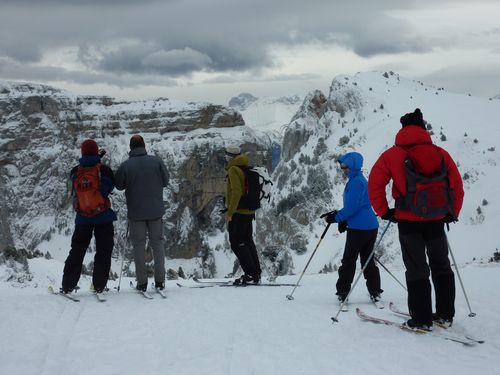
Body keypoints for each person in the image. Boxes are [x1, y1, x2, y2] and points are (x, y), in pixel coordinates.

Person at [368, 108, 464, 331]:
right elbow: (457, 185)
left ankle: (421, 319)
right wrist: (452, 212)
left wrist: (384, 211)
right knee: (441, 265)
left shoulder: (392, 155)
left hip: (408, 220)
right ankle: (445, 315)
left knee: (416, 267)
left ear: (403, 129)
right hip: (437, 219)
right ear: (423, 128)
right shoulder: (440, 153)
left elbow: (375, 184)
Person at [323, 152, 382, 303]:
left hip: (358, 228)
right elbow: (357, 206)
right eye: (341, 166)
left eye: (345, 166)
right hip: (370, 226)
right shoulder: (359, 179)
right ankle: (375, 291)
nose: (343, 169)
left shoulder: (356, 182)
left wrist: (336, 218)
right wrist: (344, 218)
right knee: (368, 260)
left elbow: (351, 208)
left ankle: (343, 291)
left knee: (349, 260)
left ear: (354, 166)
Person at [61, 139, 116, 294]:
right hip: (103, 217)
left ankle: (67, 285)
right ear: (96, 151)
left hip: (82, 219)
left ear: (82, 152)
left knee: (77, 251)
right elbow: (108, 188)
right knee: (103, 251)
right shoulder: (104, 170)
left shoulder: (75, 171)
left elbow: (76, 190)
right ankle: (99, 285)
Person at [115, 135, 169, 292]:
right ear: (144, 146)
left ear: (130, 148)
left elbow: (118, 185)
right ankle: (160, 281)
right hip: (155, 211)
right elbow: (166, 181)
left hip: (136, 212)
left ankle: (142, 283)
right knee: (157, 244)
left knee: (138, 246)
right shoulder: (156, 161)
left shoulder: (126, 165)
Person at [224, 145, 262, 285]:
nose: (225, 157)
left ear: (229, 156)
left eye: (226, 155)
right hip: (249, 212)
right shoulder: (245, 167)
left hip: (239, 213)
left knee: (237, 243)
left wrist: (230, 212)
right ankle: (256, 273)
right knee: (247, 241)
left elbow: (236, 192)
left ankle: (250, 274)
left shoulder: (234, 169)